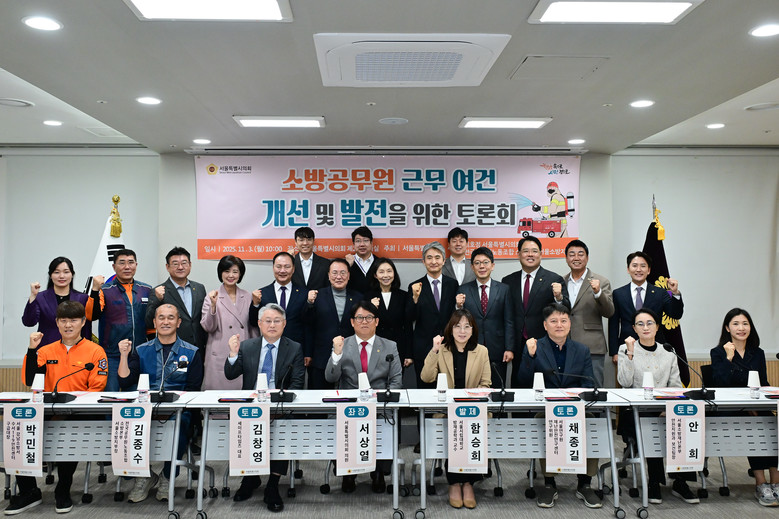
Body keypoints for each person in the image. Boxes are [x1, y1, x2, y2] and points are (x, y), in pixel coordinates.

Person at [9, 301, 107, 515]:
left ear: (83, 322)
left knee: (67, 431)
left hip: (80, 412)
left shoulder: (95, 351)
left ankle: (63, 489)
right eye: (63, 320)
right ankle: (29, 491)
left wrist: (66, 410)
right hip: (47, 410)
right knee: (18, 428)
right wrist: (31, 350)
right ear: (57, 323)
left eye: (73, 320)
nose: (68, 325)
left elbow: (96, 389)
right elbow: (29, 380)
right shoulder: (45, 350)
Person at [516, 304, 601, 509]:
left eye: (563, 321)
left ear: (570, 324)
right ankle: (549, 483)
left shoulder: (581, 350)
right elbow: (523, 381)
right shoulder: (535, 346)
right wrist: (530, 356)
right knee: (544, 424)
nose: (559, 325)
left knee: (593, 425)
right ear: (545, 325)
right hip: (546, 410)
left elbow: (589, 384)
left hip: (576, 409)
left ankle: (585, 483)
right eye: (554, 321)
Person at [118, 304, 203, 503]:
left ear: (178, 322)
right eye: (161, 318)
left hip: (178, 411)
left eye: (171, 318)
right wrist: (123, 355)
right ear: (154, 322)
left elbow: (193, 389)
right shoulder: (141, 350)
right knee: (124, 424)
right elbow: (125, 381)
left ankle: (167, 476)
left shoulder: (191, 352)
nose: (166, 322)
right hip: (145, 410)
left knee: (179, 425)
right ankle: (143, 476)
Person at [224, 303, 305, 512]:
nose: (272, 325)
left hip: (279, 405)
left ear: (284, 324)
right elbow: (231, 375)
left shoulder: (294, 347)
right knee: (243, 425)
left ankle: (273, 484)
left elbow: (297, 382)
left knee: (283, 430)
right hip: (252, 405)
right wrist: (232, 353)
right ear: (259, 324)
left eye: (277, 321)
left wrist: (280, 403)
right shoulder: (247, 346)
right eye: (267, 321)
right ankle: (250, 478)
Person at [616, 308, 696, 505]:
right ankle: (654, 481)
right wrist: (630, 354)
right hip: (636, 412)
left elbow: (676, 387)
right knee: (651, 426)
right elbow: (625, 382)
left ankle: (680, 481)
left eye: (650, 323)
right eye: (640, 324)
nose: (645, 327)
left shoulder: (668, 352)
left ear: (657, 327)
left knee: (684, 421)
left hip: (665, 409)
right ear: (634, 328)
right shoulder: (626, 349)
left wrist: (668, 409)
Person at [325, 301, 402, 494]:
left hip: (379, 406)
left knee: (387, 422)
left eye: (369, 317)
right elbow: (330, 378)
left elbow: (396, 381)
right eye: (359, 318)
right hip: (348, 407)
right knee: (340, 422)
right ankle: (347, 472)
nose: (364, 321)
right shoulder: (343, 344)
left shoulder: (390, 346)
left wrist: (382, 400)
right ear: (352, 322)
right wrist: (336, 354)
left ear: (377, 321)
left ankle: (379, 472)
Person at [420, 308, 491, 509]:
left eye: (467, 326)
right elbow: (426, 377)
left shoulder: (482, 351)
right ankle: (454, 482)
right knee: (455, 428)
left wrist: (473, 398)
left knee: (470, 427)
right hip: (447, 413)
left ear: (473, 330)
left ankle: (468, 483)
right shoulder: (442, 350)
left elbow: (486, 383)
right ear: (450, 329)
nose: (462, 331)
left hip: (474, 411)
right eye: (457, 326)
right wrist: (434, 350)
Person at [710, 308, 777, 506]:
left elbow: (763, 382)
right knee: (755, 426)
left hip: (756, 405)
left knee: (774, 424)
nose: (741, 328)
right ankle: (761, 483)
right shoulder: (718, 352)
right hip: (730, 408)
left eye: (745, 324)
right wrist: (728, 358)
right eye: (736, 324)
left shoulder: (758, 353)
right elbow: (720, 383)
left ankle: (776, 481)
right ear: (727, 328)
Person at [502, 236, 570, 388]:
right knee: (518, 385)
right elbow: (507, 316)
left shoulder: (554, 279)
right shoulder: (508, 281)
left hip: (545, 343)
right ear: (518, 254)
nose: (530, 254)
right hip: (517, 344)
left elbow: (566, 309)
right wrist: (509, 346)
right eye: (526, 251)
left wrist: (559, 297)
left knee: (545, 385)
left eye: (534, 251)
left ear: (541, 254)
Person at [86, 248, 153, 392]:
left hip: (139, 354)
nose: (127, 267)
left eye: (131, 262)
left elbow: (152, 323)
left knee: (138, 397)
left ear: (136, 265)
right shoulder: (105, 290)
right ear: (114, 266)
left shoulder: (147, 290)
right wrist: (95, 291)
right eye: (122, 263)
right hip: (112, 355)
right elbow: (91, 315)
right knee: (110, 398)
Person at [608, 251, 683, 366]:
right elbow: (613, 324)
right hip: (628, 348)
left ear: (649, 270)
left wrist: (675, 293)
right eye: (634, 266)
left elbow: (675, 314)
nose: (638, 270)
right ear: (628, 269)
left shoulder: (660, 293)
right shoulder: (618, 293)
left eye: (643, 266)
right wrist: (614, 352)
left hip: (655, 347)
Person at [455, 246, 515, 387]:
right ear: (472, 267)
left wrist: (509, 348)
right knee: (471, 388)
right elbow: (458, 320)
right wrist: (458, 306)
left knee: (496, 388)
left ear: (492, 265)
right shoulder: (463, 289)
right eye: (477, 263)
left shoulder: (504, 289)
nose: (482, 266)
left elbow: (509, 321)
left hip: (498, 349)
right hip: (471, 347)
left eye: (485, 262)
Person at [406, 241, 459, 389]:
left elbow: (456, 314)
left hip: (449, 345)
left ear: (444, 260)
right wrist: (415, 299)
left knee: (448, 388)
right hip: (423, 347)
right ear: (423, 261)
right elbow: (409, 318)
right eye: (429, 258)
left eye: (437, 257)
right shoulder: (415, 286)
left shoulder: (453, 284)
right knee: (425, 388)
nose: (433, 261)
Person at [200, 255, 258, 390]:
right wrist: (213, 306)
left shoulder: (248, 296)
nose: (231, 275)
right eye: (227, 271)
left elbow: (253, 328)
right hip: (220, 353)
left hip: (242, 352)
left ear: (240, 274)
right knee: (219, 397)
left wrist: (255, 351)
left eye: (235, 271)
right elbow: (208, 327)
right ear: (220, 273)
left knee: (242, 397)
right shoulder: (212, 296)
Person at [562, 240, 614, 387]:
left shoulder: (601, 281)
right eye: (572, 254)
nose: (576, 258)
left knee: (593, 388)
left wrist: (598, 292)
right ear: (566, 258)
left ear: (587, 257)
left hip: (592, 346)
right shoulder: (561, 281)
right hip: (565, 344)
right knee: (568, 389)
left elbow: (609, 312)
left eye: (580, 254)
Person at [305, 259, 362, 389]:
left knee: (349, 395)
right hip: (322, 355)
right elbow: (308, 324)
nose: (339, 277)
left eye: (343, 273)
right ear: (329, 275)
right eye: (335, 273)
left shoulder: (358, 298)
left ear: (349, 275)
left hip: (351, 356)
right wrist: (309, 304)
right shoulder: (317, 296)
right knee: (321, 395)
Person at [145, 246, 207, 355]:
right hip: (172, 349)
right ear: (167, 267)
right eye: (175, 264)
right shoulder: (159, 291)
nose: (180, 267)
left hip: (198, 348)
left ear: (190, 265)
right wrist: (158, 300)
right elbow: (149, 322)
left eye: (184, 263)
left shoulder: (199, 288)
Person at [22, 256, 92, 347]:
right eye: (56, 272)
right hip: (48, 348)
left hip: (75, 349)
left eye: (66, 272)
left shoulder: (83, 298)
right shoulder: (40, 297)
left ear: (72, 274)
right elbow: (29, 322)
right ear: (50, 275)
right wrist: (33, 296)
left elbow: (86, 328)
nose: (61, 276)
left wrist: (86, 349)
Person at [249, 252, 306, 347]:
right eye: (278, 267)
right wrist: (255, 304)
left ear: (293, 269)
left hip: (296, 347)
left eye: (287, 267)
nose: (282, 271)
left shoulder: (303, 293)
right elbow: (254, 322)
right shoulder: (262, 293)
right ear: (273, 268)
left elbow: (308, 325)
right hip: (269, 346)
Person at [366, 258, 409, 366]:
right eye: (381, 272)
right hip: (375, 347)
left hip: (398, 347)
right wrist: (370, 308)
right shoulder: (367, 297)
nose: (386, 275)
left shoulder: (404, 296)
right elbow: (364, 325)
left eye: (389, 271)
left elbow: (408, 325)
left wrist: (409, 354)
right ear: (375, 275)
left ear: (394, 273)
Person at [345, 226, 379, 295]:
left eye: (366, 240)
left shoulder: (380, 263)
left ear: (371, 243)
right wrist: (347, 266)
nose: (362, 244)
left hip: (376, 300)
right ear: (353, 244)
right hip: (352, 301)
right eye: (358, 241)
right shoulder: (347, 263)